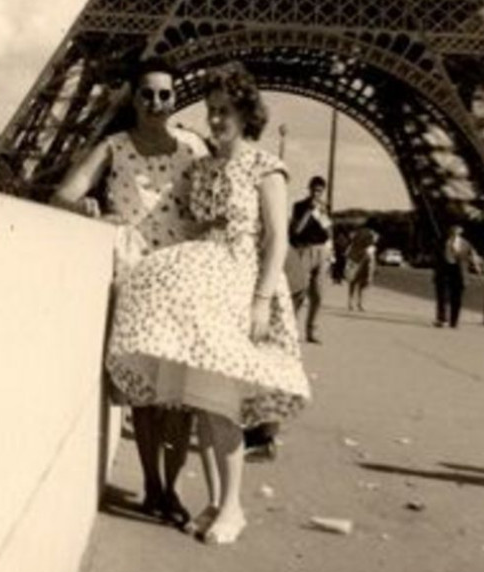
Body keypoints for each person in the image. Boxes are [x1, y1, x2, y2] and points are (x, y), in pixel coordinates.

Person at [106, 64, 310, 546]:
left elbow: (277, 239)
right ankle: (217, 503)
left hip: (242, 287)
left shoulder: (267, 168)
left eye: (226, 111)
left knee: (221, 404)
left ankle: (234, 508)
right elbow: (183, 222)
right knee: (203, 401)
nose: (217, 120)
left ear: (246, 113)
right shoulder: (204, 167)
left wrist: (260, 301)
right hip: (207, 289)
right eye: (212, 111)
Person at [52, 59, 211, 527]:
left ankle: (173, 488)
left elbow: (210, 207)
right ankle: (153, 486)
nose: (156, 103)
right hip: (137, 275)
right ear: (133, 98)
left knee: (179, 397)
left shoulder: (194, 148)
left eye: (165, 94)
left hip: (182, 276)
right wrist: (87, 208)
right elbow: (62, 195)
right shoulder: (114, 147)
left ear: (175, 97)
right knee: (144, 393)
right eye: (147, 94)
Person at [289, 175, 332, 343]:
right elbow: (297, 230)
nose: (316, 194)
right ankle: (291, 328)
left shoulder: (325, 207)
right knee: (300, 292)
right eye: (314, 190)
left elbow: (329, 233)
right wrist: (309, 212)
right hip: (304, 249)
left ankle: (312, 331)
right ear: (309, 189)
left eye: (320, 191)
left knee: (319, 294)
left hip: (322, 251)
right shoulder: (299, 206)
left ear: (323, 191)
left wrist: (323, 215)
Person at [433, 223, 481, 328]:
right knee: (443, 296)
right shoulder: (442, 241)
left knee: (457, 298)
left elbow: (472, 255)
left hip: (459, 272)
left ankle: (454, 321)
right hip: (444, 270)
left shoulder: (466, 244)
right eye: (453, 228)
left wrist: (476, 265)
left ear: (461, 231)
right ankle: (442, 318)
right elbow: (436, 254)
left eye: (457, 229)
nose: (455, 230)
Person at [345, 223, 378, 311]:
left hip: (355, 258)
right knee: (362, 283)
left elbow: (350, 241)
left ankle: (351, 302)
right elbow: (372, 246)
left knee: (353, 282)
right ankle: (359, 303)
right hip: (362, 258)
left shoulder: (356, 233)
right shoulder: (371, 233)